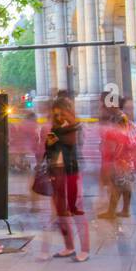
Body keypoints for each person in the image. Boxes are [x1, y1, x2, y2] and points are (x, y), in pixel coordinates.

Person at [44, 95, 89, 261]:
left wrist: (60, 135)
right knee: (61, 211)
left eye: (62, 113)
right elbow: (48, 150)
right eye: (56, 114)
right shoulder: (54, 129)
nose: (59, 117)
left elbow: (73, 143)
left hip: (71, 173)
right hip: (56, 173)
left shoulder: (77, 128)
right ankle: (69, 246)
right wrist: (50, 143)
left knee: (76, 210)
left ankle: (84, 250)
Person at [98, 98, 136, 220]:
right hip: (129, 161)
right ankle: (125, 210)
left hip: (120, 162)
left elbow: (115, 141)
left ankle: (111, 212)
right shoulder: (131, 125)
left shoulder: (120, 119)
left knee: (117, 186)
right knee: (126, 186)